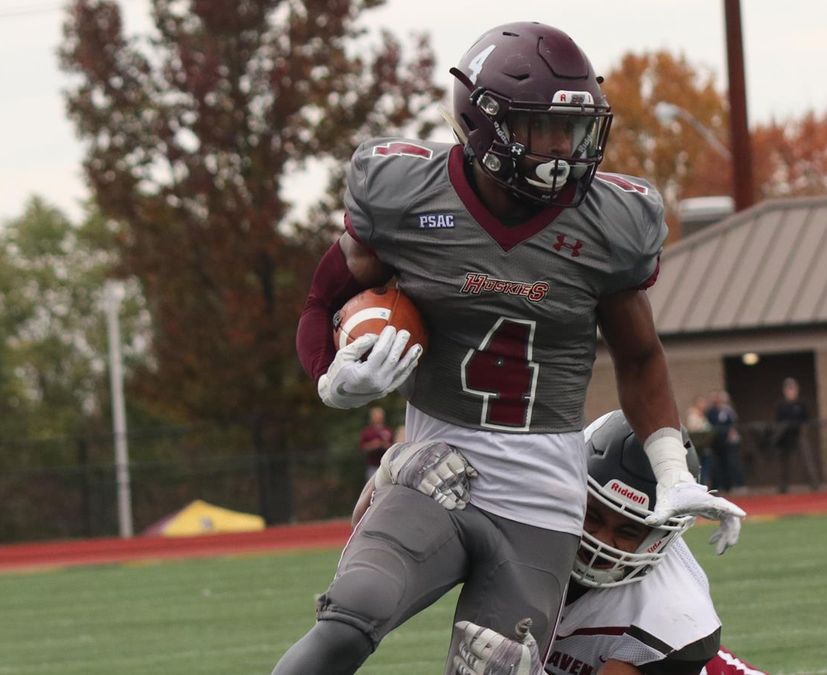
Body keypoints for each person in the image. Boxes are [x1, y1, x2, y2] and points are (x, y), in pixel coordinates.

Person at [278, 21, 743, 674]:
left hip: (544, 505)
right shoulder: (409, 196)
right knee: (352, 617)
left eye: (574, 130)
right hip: (438, 467)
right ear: (485, 122)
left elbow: (639, 356)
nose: (563, 149)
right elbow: (322, 298)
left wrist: (672, 470)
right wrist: (330, 377)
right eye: (542, 128)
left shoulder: (612, 223)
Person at [371, 411, 827, 675]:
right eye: (594, 518)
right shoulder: (528, 507)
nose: (602, 544)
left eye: (629, 531)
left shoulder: (663, 611)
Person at [773, 377, 819, 493]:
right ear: (784, 390)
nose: (791, 391)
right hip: (785, 437)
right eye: (788, 389)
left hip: (798, 435)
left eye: (793, 388)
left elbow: (806, 420)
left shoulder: (801, 404)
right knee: (782, 463)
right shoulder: (780, 405)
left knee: (807, 459)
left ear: (797, 390)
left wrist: (803, 431)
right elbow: (777, 421)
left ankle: (814, 484)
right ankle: (782, 487)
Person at [706, 391, 746, 494]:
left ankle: (735, 484)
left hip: (728, 442)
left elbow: (733, 423)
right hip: (716, 442)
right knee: (718, 465)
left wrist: (730, 433)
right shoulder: (710, 412)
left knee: (732, 463)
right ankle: (720, 485)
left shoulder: (728, 410)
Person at [358, 406, 394, 483]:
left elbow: (394, 446)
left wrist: (385, 445)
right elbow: (362, 448)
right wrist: (372, 445)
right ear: (372, 417)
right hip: (373, 466)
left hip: (386, 466)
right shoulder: (367, 431)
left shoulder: (388, 430)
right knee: (372, 488)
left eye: (380, 415)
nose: (378, 417)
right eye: (376, 415)